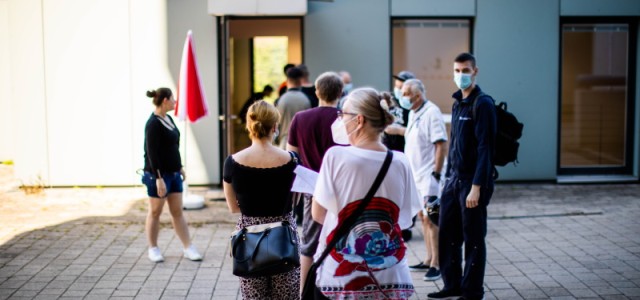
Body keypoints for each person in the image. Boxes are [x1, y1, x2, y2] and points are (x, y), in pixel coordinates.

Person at [311, 87, 422, 299]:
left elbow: (318, 214)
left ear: (359, 120)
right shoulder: (400, 161)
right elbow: (405, 220)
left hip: (342, 277)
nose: (340, 121)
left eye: (343, 114)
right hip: (392, 277)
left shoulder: (335, 156)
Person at [427, 53, 496, 300]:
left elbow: (486, 148)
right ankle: (452, 285)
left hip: (472, 182)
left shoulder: (483, 103)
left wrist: (476, 187)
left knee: (473, 239)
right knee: (448, 234)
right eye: (457, 70)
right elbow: (455, 144)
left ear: (475, 71)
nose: (460, 75)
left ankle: (472, 291)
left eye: (465, 70)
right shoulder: (457, 103)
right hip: (453, 180)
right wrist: (445, 180)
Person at [222, 100, 301, 299]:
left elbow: (233, 207)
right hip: (284, 238)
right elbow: (296, 201)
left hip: (250, 239)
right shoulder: (291, 160)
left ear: (249, 125)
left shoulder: (232, 162)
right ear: (275, 127)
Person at [385, 79, 448, 281]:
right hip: (416, 177)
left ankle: (437, 264)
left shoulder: (432, 112)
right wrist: (397, 130)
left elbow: (440, 144)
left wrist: (436, 176)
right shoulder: (414, 112)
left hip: (429, 179)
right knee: (423, 218)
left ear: (417, 95)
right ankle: (428, 258)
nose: (402, 96)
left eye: (405, 92)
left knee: (432, 219)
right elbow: (415, 134)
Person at [286, 71, 343, 291]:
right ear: (340, 92)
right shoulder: (345, 118)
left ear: (317, 91)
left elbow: (292, 155)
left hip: (312, 188)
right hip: (341, 189)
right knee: (340, 238)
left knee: (309, 244)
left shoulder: (301, 118)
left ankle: (304, 291)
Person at [142, 87, 202, 263]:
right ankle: (153, 248)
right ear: (165, 101)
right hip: (158, 176)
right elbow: (151, 153)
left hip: (174, 174)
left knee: (177, 212)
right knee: (155, 212)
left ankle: (188, 247)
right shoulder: (153, 123)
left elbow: (173, 147)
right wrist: (159, 178)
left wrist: (180, 167)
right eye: (173, 99)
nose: (175, 102)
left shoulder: (168, 119)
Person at [276, 66, 311, 149]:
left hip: (284, 142)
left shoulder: (281, 100)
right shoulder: (307, 99)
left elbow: (277, 123)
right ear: (300, 81)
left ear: (287, 81)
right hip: (302, 143)